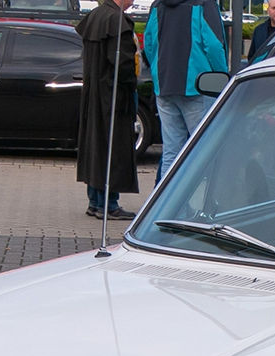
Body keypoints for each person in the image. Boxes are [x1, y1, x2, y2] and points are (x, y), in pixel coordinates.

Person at [145, 0, 226, 181]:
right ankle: (201, 206)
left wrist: (159, 72)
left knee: (171, 154)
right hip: (198, 86)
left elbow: (149, 44)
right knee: (203, 152)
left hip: (165, 85)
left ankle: (167, 205)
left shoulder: (157, 4)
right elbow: (213, 46)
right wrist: (222, 79)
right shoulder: (204, 3)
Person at [76, 0, 139, 219]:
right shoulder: (117, 21)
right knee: (113, 148)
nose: (133, 2)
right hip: (113, 96)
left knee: (96, 146)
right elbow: (122, 64)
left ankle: (95, 201)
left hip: (94, 93)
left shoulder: (95, 16)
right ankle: (109, 204)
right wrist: (131, 85)